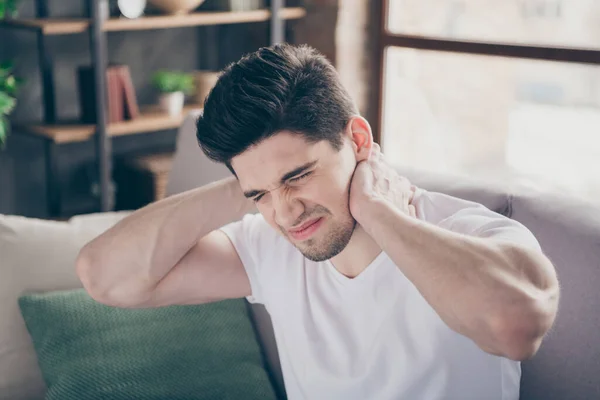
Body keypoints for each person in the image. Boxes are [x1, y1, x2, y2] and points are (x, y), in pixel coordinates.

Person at [76, 44, 559, 400]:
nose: (286, 212)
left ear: (358, 139)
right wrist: (249, 188)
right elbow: (105, 278)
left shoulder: (470, 232)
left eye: (299, 175)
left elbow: (514, 328)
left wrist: (380, 212)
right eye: (261, 194)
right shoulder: (269, 246)